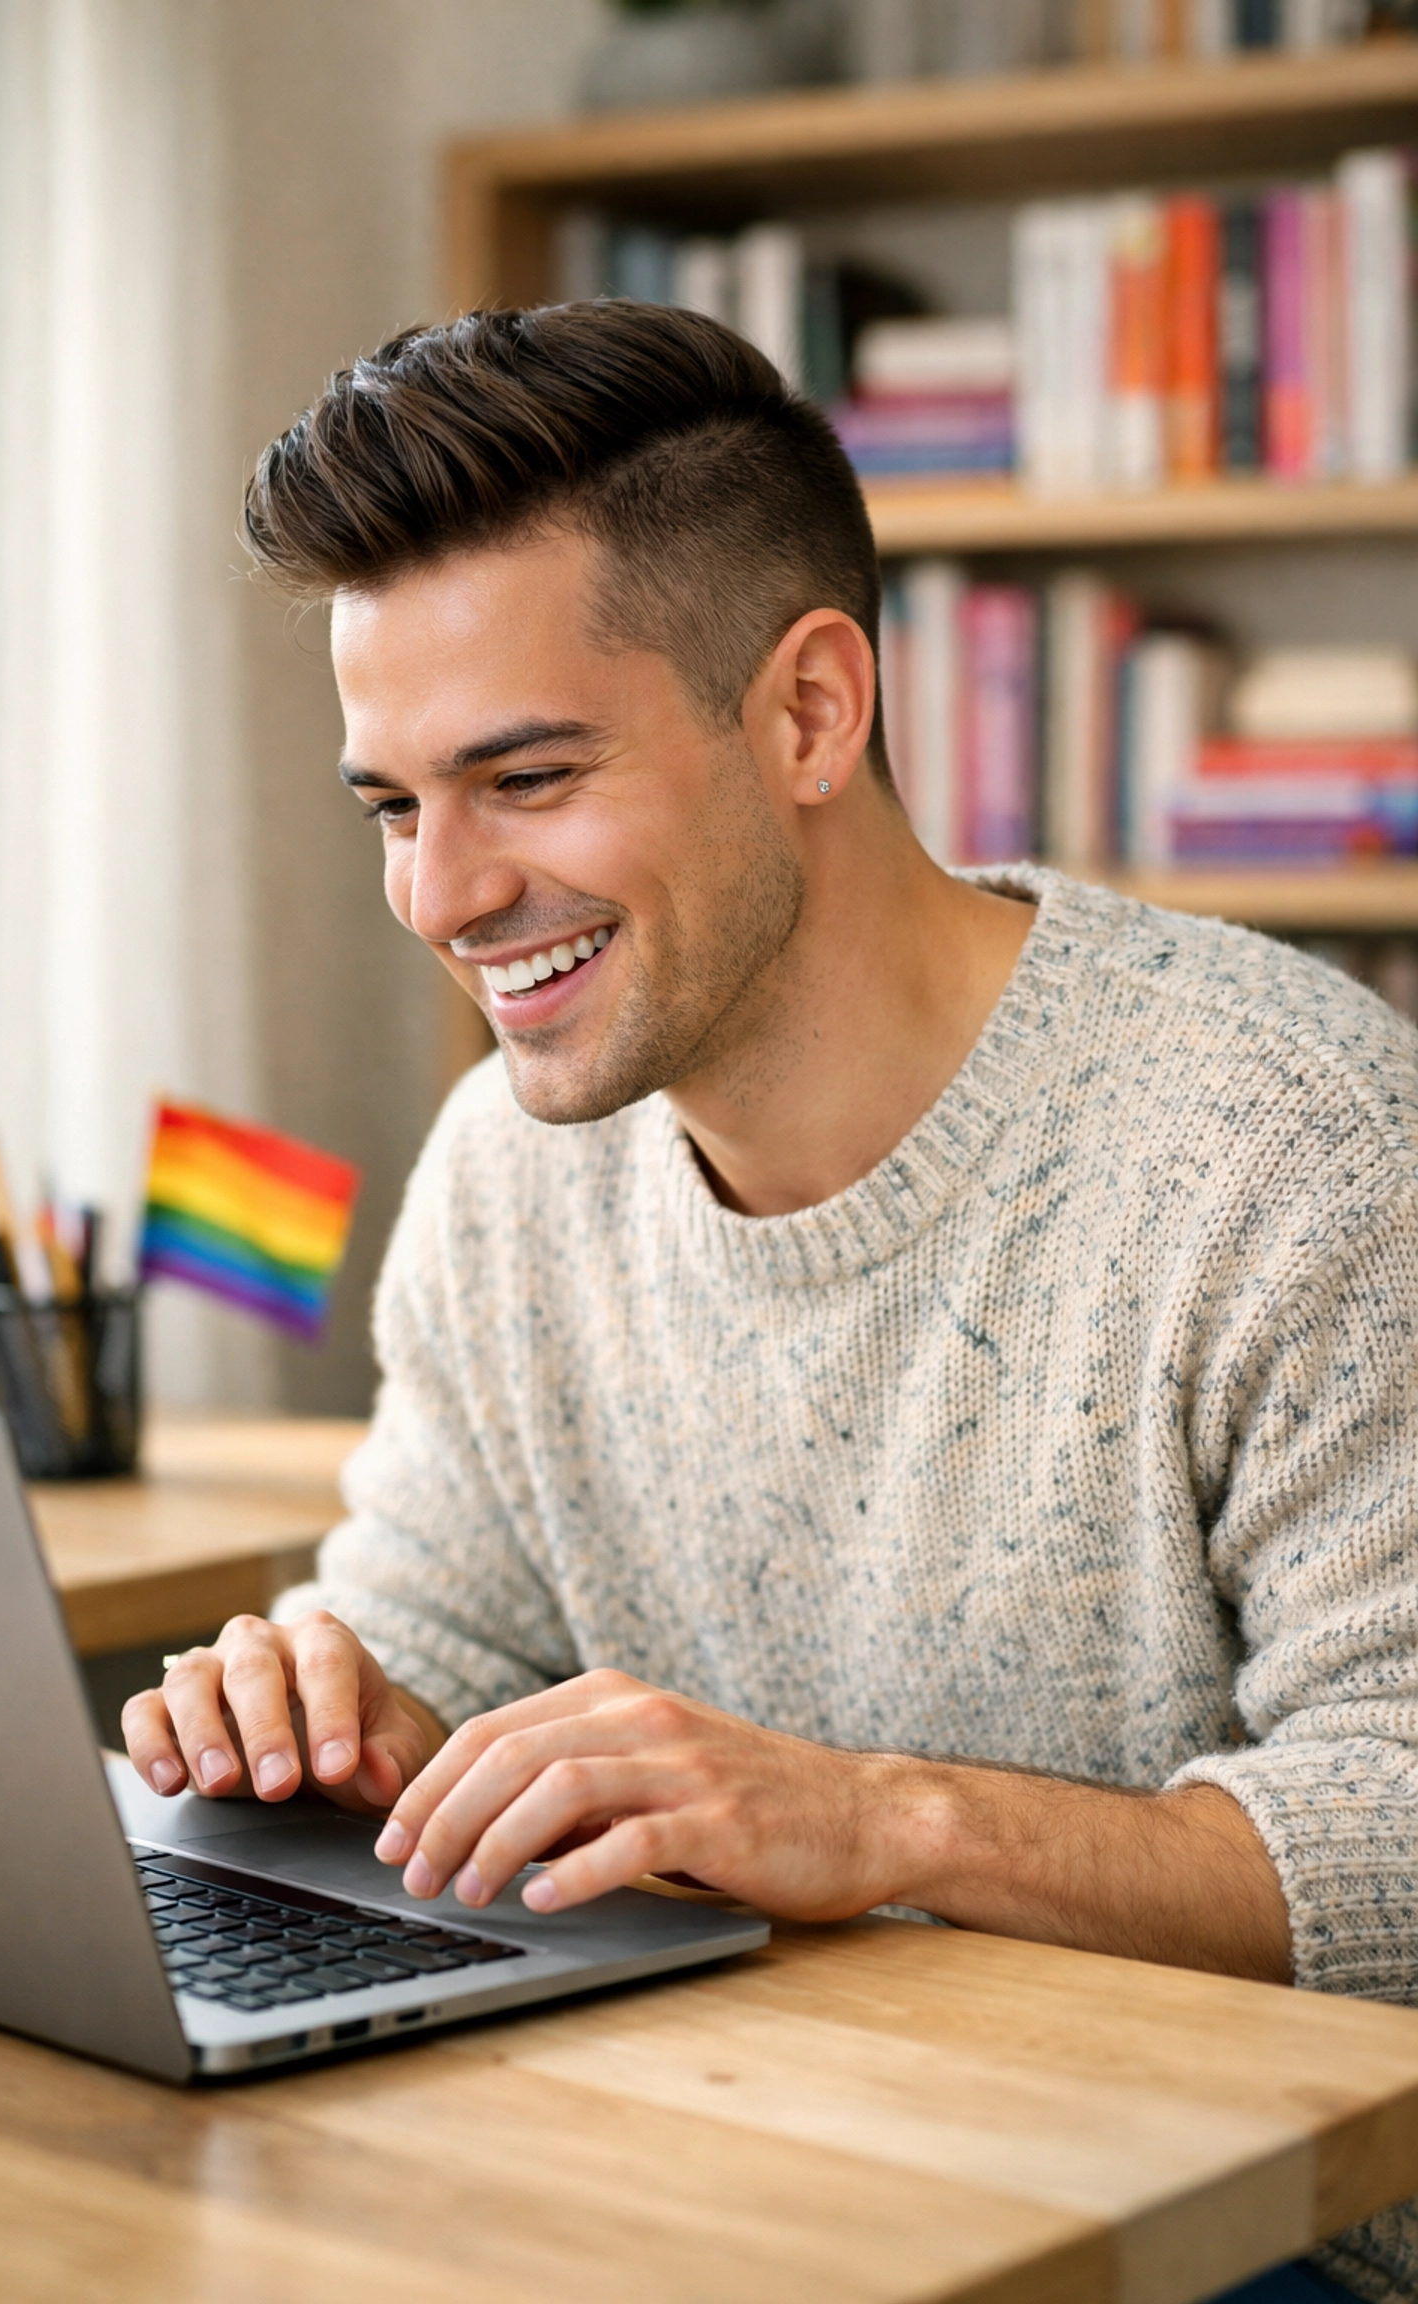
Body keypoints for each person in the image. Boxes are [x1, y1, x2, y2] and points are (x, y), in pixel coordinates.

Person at [122, 304, 1418, 2302]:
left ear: (810, 713)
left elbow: (1400, 1832)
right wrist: (325, 1709)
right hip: (747, 2151)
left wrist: (887, 1823)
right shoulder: (507, 1173)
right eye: (394, 806)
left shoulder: (1296, 1149)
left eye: (524, 777)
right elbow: (437, 1636)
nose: (438, 897)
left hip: (1253, 2240)